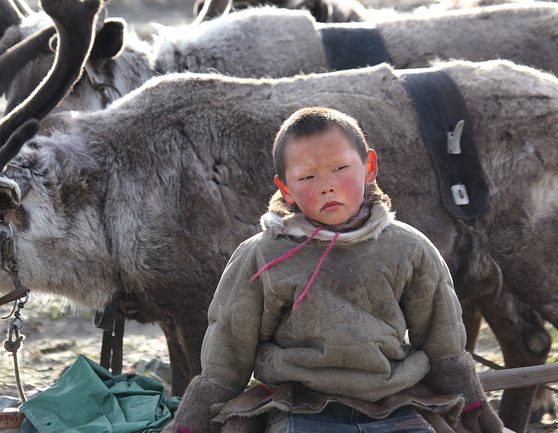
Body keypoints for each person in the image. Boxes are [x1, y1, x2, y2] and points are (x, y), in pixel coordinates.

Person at [164, 107, 503, 433]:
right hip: (297, 404)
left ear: (369, 166)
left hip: (395, 401)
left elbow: (443, 345)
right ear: (286, 188)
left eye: (339, 168)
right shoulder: (262, 255)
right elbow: (226, 357)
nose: (326, 185)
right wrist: (189, 425)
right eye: (307, 176)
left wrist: (479, 415)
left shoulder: (408, 248)